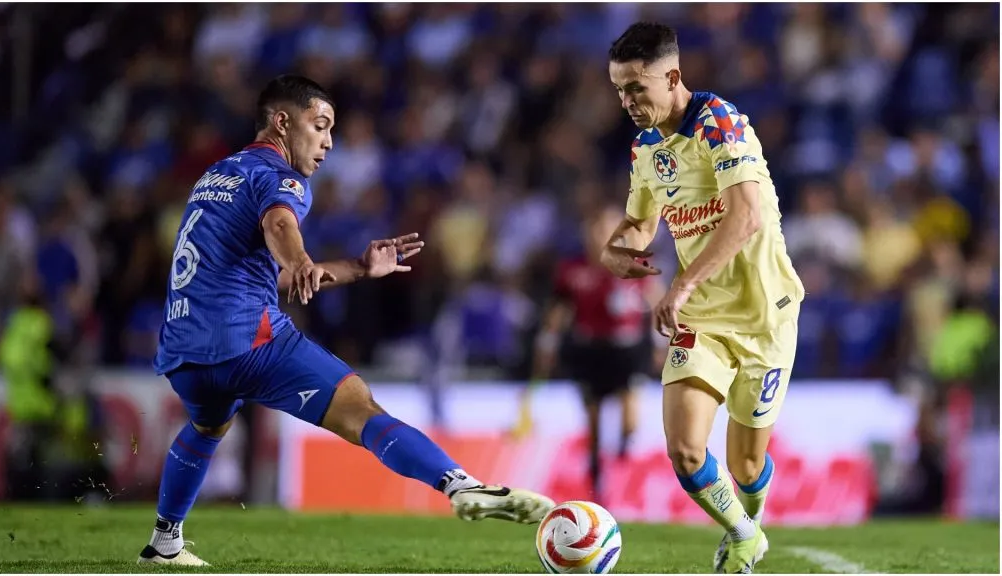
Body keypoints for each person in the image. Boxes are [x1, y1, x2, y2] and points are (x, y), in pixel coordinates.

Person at [140, 75, 554, 566]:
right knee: (360, 408)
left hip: (184, 348)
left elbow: (265, 271)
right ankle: (462, 486)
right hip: (247, 338)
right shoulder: (281, 177)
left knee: (208, 425)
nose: (329, 142)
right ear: (281, 122)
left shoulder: (216, 176)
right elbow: (280, 225)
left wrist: (357, 268)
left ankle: (165, 542)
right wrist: (296, 259)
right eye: (319, 126)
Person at [600, 23, 805, 573]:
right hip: (701, 320)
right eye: (620, 90)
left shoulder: (722, 123)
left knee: (746, 462)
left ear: (672, 77)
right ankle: (742, 533)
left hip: (767, 314)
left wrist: (681, 282)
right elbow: (638, 225)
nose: (627, 101)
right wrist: (616, 250)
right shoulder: (646, 149)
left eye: (637, 88)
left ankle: (750, 521)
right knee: (686, 451)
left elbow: (746, 215)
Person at [527, 194, 660, 502]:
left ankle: (623, 460)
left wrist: (659, 341)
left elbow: (655, 302)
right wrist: (546, 343)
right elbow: (558, 311)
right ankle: (597, 478)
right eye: (597, 228)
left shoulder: (635, 263)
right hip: (590, 350)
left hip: (627, 350)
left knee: (630, 419)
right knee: (595, 421)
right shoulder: (572, 269)